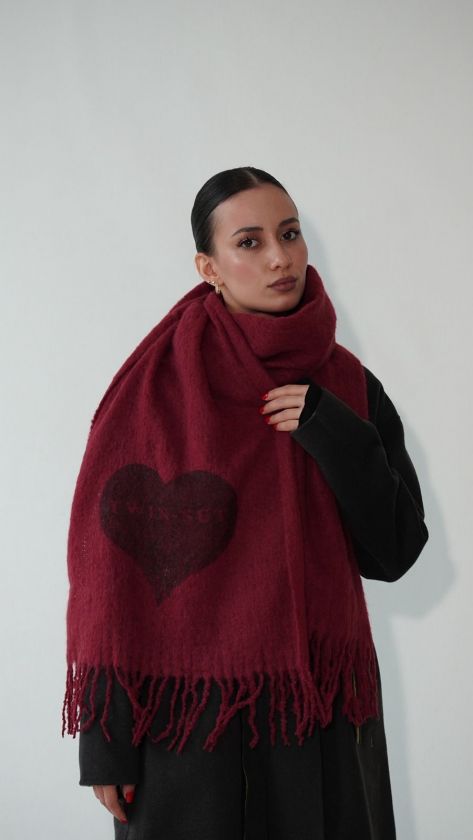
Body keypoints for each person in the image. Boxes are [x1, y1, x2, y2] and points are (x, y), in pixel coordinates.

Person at [63, 166, 429, 839]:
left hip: (318, 716)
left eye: (289, 234)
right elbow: (107, 577)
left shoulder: (348, 387)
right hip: (185, 729)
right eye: (250, 242)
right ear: (209, 267)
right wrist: (105, 741)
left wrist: (331, 431)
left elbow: (395, 553)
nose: (280, 258)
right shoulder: (150, 393)